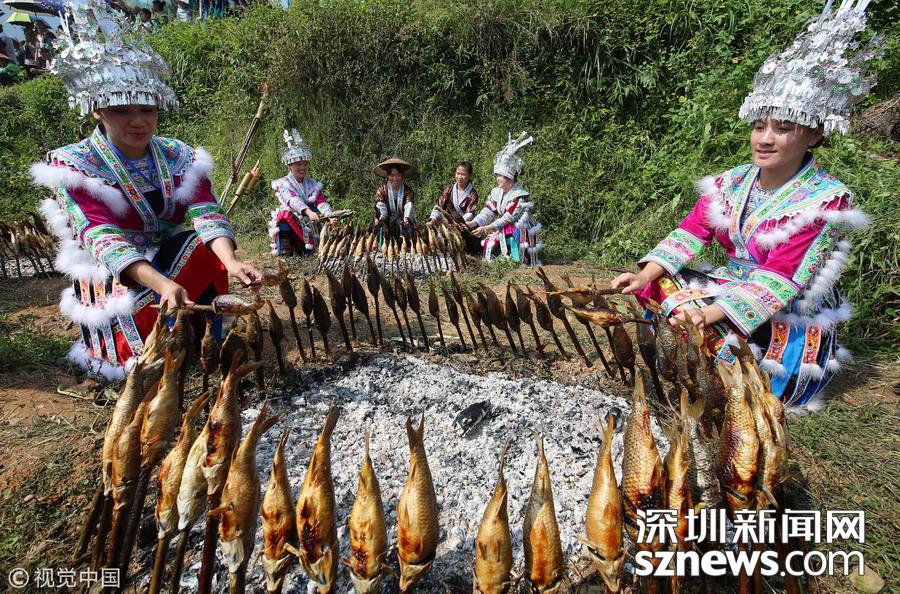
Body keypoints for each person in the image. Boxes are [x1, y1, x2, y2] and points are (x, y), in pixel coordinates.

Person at [612, 0, 883, 410]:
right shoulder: (734, 180)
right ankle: (693, 354)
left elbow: (782, 277)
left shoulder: (824, 199)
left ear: (814, 136)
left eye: (783, 128)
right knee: (658, 283)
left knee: (713, 335)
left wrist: (708, 314)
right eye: (759, 126)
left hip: (784, 303)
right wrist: (645, 273)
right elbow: (692, 230)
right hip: (732, 283)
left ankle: (724, 366)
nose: (765, 138)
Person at [30, 0, 260, 380]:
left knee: (200, 246)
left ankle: (202, 337)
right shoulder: (75, 166)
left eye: (147, 110)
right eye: (122, 111)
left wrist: (231, 262)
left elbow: (206, 210)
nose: (138, 121)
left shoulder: (176, 154)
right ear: (97, 110)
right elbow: (100, 235)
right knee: (146, 358)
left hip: (171, 254)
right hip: (115, 267)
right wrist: (161, 282)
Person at [468, 132, 543, 265]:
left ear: (509, 178)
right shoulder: (496, 192)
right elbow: (488, 211)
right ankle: (501, 258)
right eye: (497, 175)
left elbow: (508, 218)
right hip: (504, 225)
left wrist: (486, 229)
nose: (497, 179)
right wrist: (474, 223)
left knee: (507, 235)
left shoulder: (519, 195)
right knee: (490, 242)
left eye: (500, 176)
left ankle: (517, 258)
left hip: (520, 227)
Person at [269, 129, 335, 256]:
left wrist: (330, 215)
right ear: (290, 166)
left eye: (305, 164)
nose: (302, 167)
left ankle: (307, 249)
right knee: (284, 216)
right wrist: (308, 212)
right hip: (293, 216)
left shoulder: (311, 183)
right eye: (298, 164)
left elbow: (320, 200)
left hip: (308, 218)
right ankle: (286, 249)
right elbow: (293, 200)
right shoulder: (283, 183)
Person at [428, 161, 482, 253]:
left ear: (469, 176)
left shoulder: (472, 194)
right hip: (448, 223)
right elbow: (439, 205)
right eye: (458, 173)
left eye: (463, 174)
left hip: (464, 225)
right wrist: (433, 219)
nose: (459, 177)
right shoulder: (449, 189)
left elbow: (469, 214)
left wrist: (459, 224)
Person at [373, 157, 416, 244]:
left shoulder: (407, 190)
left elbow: (409, 204)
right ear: (388, 177)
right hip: (387, 219)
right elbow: (381, 206)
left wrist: (406, 217)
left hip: (403, 219)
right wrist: (381, 217)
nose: (395, 178)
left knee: (409, 230)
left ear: (402, 176)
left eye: (398, 175)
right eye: (392, 175)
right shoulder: (382, 191)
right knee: (380, 227)